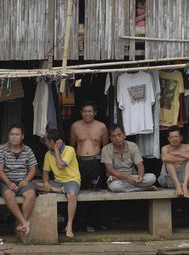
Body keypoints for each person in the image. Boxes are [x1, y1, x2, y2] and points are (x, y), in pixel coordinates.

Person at [68, 101, 108, 232]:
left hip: (95, 161)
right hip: (79, 162)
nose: (87, 114)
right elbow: (72, 146)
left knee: (95, 191)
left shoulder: (101, 127)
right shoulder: (75, 126)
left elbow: (106, 147)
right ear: (81, 112)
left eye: (90, 111)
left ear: (95, 113)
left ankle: (94, 222)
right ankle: (80, 223)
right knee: (80, 192)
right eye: (84, 111)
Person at [35, 129, 80, 238]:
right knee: (34, 184)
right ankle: (58, 190)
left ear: (52, 142)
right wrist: (45, 183)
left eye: (46, 141)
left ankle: (69, 225)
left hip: (71, 180)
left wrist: (56, 150)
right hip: (57, 183)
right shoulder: (47, 154)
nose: (45, 143)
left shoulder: (69, 150)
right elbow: (45, 172)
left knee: (72, 196)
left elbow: (60, 165)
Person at [0, 123, 37, 235]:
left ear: (22, 136)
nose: (14, 136)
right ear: (8, 136)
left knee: (30, 195)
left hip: (23, 180)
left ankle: (22, 223)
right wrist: (8, 182)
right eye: (12, 134)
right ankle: (24, 222)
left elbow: (33, 169)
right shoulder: (1, 149)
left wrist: (26, 180)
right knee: (9, 195)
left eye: (17, 134)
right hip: (6, 181)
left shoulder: (28, 150)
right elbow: (0, 170)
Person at [102, 124, 157, 192]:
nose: (117, 138)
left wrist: (140, 177)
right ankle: (143, 188)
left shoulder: (132, 146)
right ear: (110, 138)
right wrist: (127, 178)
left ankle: (131, 187)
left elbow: (140, 165)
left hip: (133, 177)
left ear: (124, 135)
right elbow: (110, 170)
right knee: (115, 187)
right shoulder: (106, 149)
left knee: (152, 177)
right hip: (116, 179)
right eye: (114, 136)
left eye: (119, 135)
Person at [158, 125, 189, 198]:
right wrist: (183, 157)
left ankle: (184, 186)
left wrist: (178, 154)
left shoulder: (187, 147)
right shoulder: (165, 148)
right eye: (172, 137)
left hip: (186, 180)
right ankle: (178, 186)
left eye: (176, 136)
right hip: (169, 181)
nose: (174, 139)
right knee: (168, 161)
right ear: (168, 139)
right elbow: (164, 158)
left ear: (181, 138)